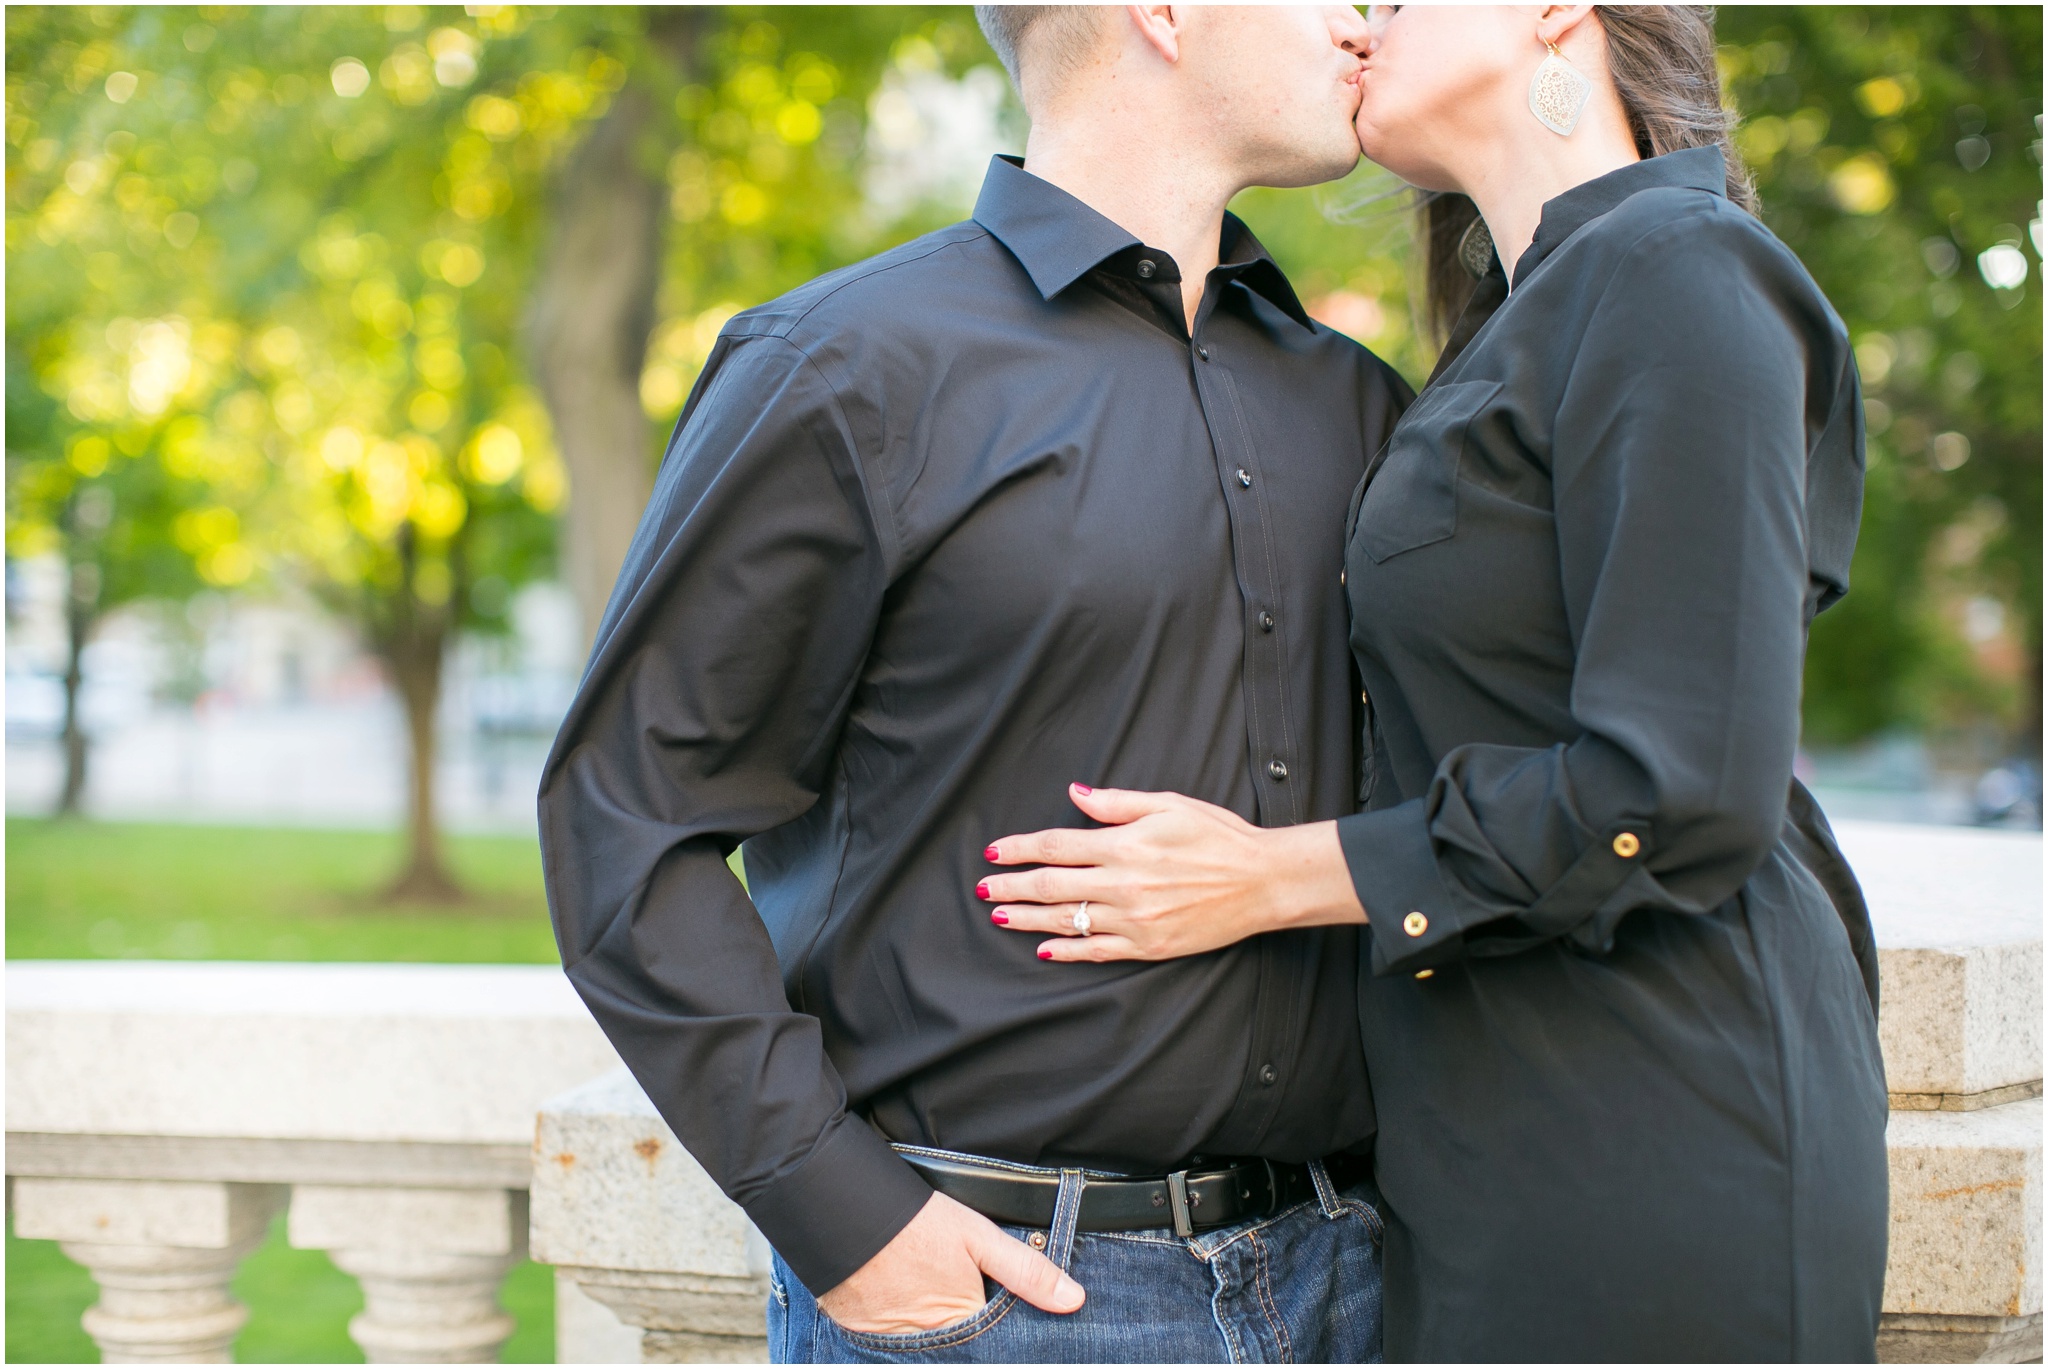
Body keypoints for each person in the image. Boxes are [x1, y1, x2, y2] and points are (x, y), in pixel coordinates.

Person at [980, 4, 1891, 1361]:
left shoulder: (1682, 269)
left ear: (1558, 17)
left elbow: (1683, 783)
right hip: (1495, 1120)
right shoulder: (1531, 317)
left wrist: (1261, 877)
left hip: (1660, 1115)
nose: (1360, 19)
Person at [538, 5, 1412, 1361]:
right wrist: (850, 1221)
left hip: (1353, 1275)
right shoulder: (844, 367)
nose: (1361, 20)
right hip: (1010, 1305)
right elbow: (623, 822)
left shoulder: (1363, 405)